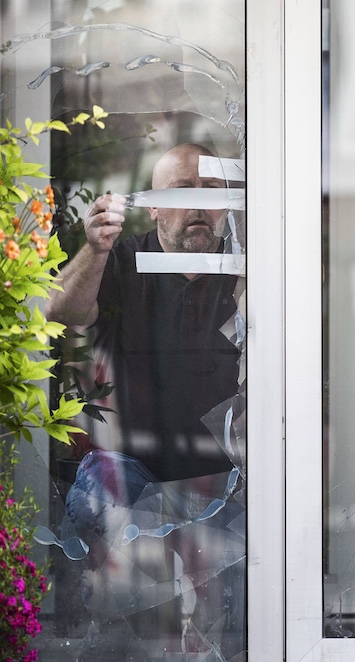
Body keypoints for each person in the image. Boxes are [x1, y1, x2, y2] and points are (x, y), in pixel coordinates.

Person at [46, 142, 245, 658]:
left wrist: (252, 281)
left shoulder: (246, 265)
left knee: (237, 609)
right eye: (182, 192)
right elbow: (60, 310)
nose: (200, 205)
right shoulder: (124, 258)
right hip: (134, 472)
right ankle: (92, 635)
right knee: (94, 491)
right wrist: (95, 248)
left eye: (213, 192)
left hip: (224, 480)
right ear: (152, 205)